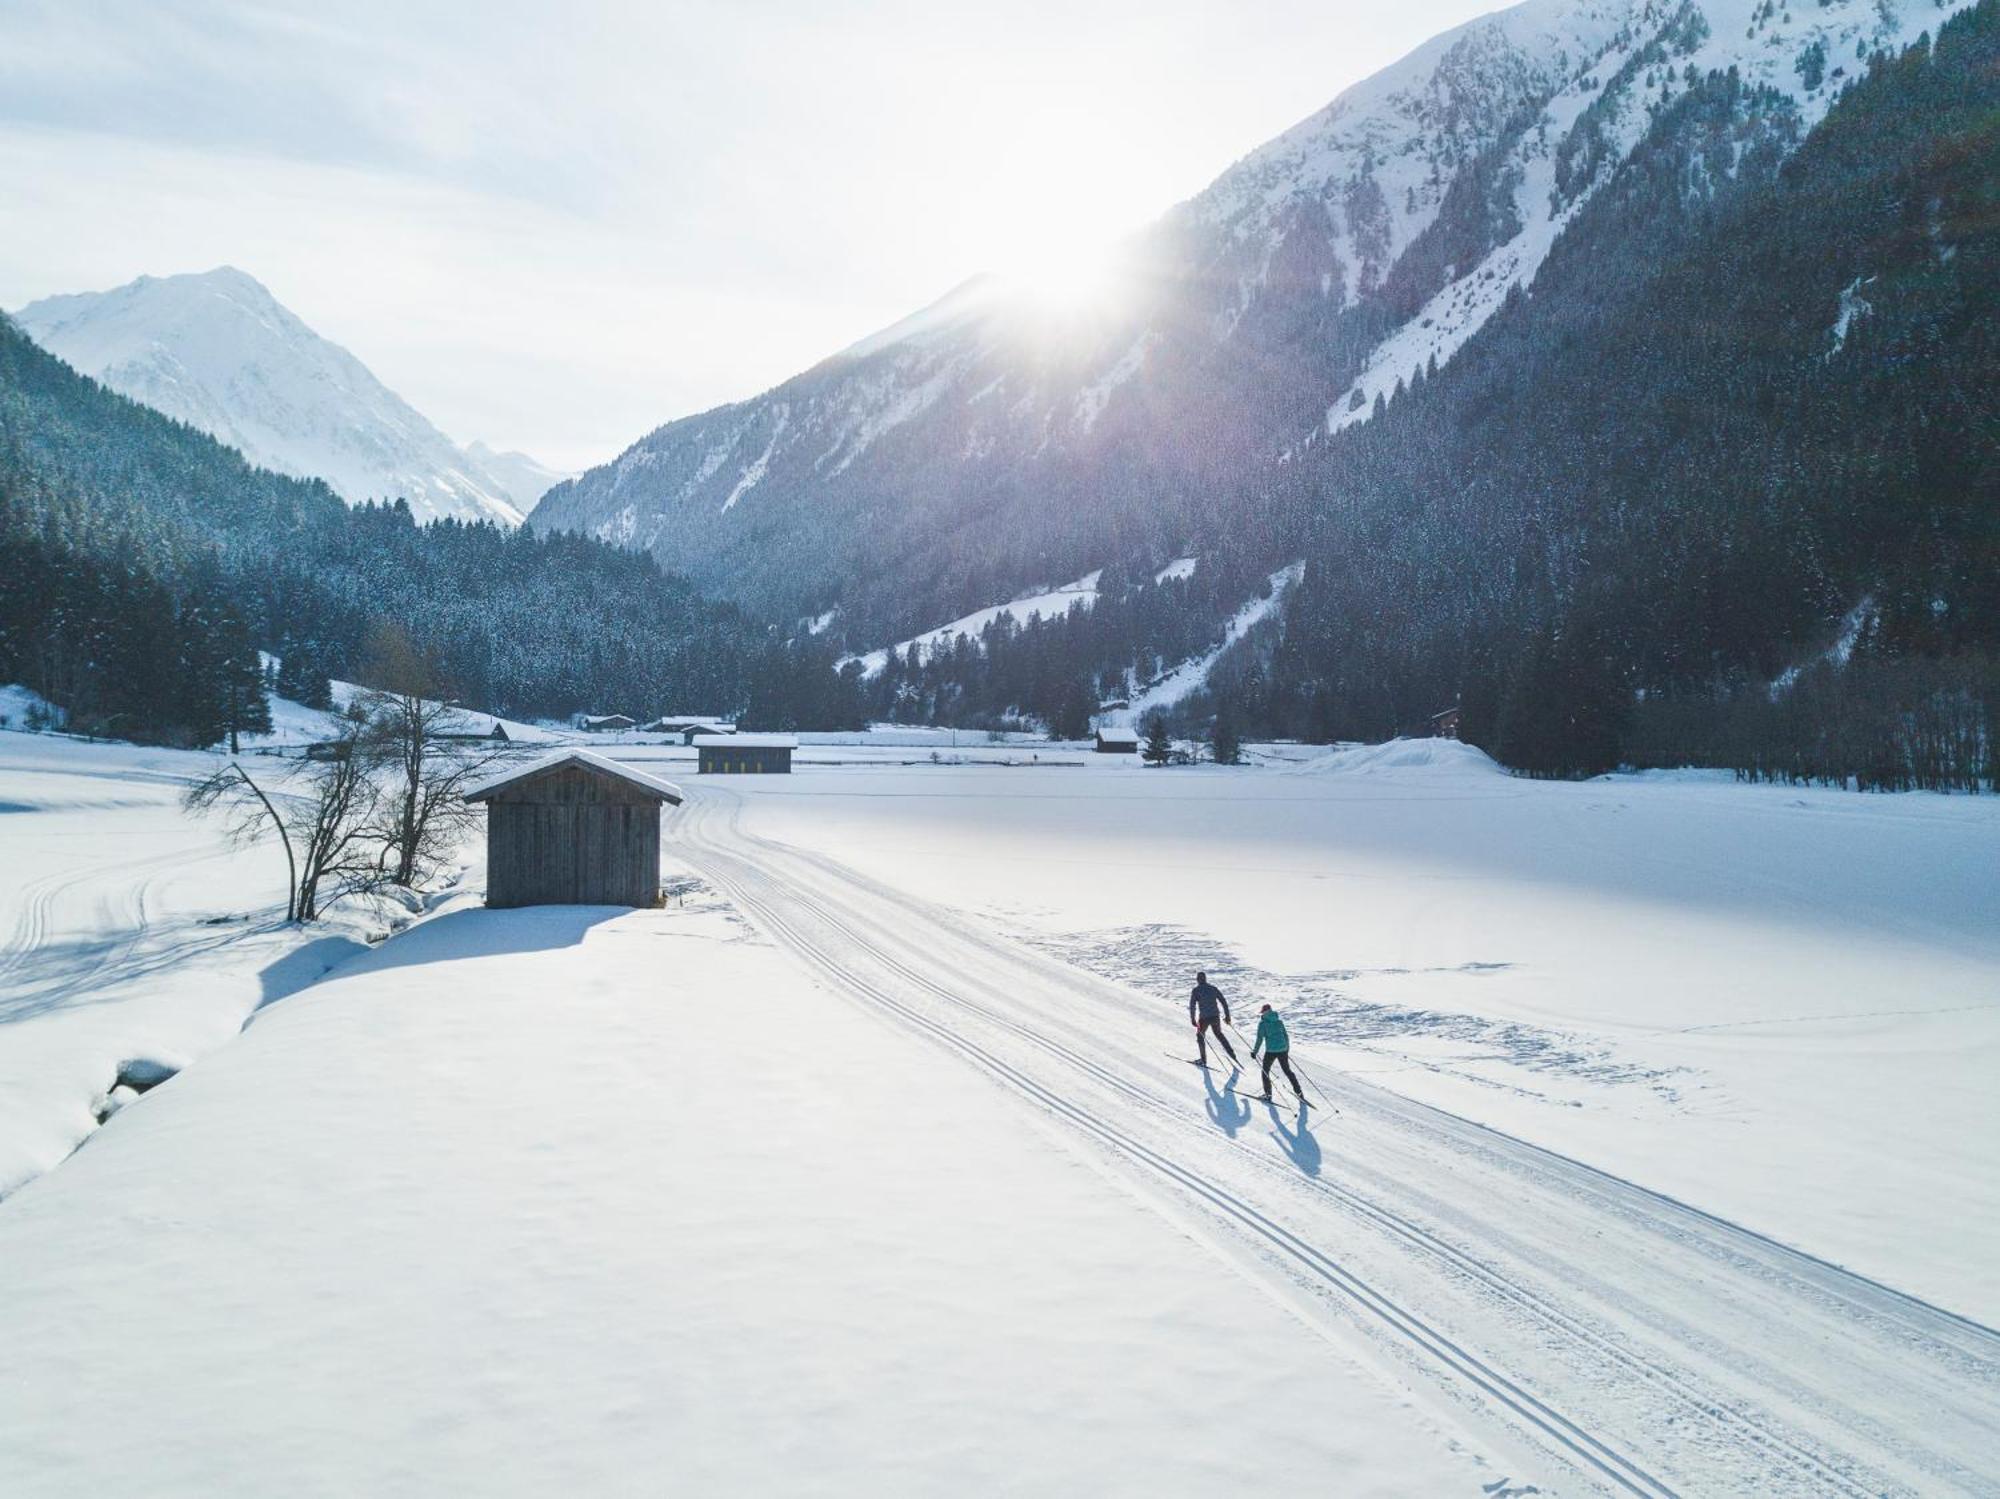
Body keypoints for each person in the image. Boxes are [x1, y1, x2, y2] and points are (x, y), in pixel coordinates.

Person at [1250, 1003, 1306, 1104]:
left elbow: (1259, 1039)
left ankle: (1268, 1095)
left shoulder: (1262, 1024)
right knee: (1287, 1071)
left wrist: (1254, 1052)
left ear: (1264, 1012)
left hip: (1271, 1051)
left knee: (1265, 1071)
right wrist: (1286, 1049)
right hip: (1283, 1049)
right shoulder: (1279, 1022)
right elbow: (1285, 1035)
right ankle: (1299, 1092)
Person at [1188, 970, 1237, 1066]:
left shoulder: (1196, 990)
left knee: (1200, 1036)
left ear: (1197, 980)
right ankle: (1231, 1053)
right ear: (1205, 979)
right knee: (1219, 1034)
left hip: (1204, 1018)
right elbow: (1223, 1001)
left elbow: (1192, 1006)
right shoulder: (1213, 988)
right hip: (1215, 1017)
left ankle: (1203, 1060)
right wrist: (1227, 1016)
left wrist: (1193, 1019)